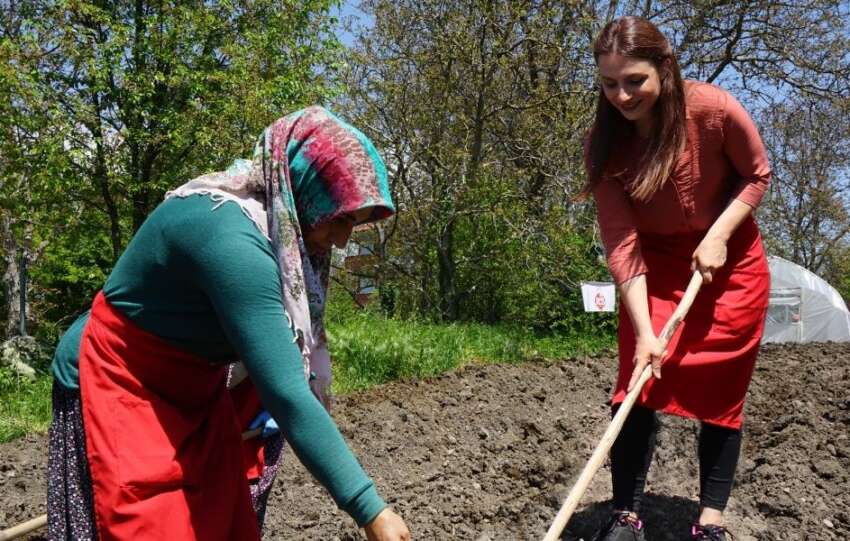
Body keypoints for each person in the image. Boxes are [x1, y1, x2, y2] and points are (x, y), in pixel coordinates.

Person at [47, 106, 411, 541]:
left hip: (190, 388)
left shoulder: (281, 231)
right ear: (306, 192)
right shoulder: (231, 239)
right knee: (139, 523)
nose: (342, 240)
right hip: (116, 378)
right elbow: (286, 391)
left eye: (354, 223)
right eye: (341, 219)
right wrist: (370, 510)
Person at [581, 17, 770, 541]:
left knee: (723, 390)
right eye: (608, 83)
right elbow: (622, 243)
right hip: (655, 270)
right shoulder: (605, 145)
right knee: (637, 382)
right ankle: (625, 514)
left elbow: (757, 174)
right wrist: (644, 329)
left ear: (664, 68)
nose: (621, 95)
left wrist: (719, 234)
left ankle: (710, 521)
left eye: (634, 80)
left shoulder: (714, 109)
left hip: (730, 264)